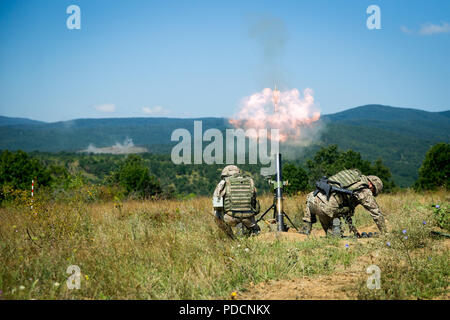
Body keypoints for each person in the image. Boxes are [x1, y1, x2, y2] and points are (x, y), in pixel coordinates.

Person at [300, 169, 386, 237]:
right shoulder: (363, 189)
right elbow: (376, 212)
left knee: (338, 206)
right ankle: (334, 233)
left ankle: (306, 229)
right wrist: (384, 232)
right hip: (325, 206)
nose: (371, 193)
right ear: (371, 185)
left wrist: (353, 230)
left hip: (311, 199)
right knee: (335, 235)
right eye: (373, 191)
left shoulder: (352, 176)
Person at [212, 165, 261, 238]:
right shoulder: (249, 181)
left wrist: (222, 211)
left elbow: (216, 203)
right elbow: (255, 203)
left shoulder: (223, 182)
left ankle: (231, 237)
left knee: (215, 214)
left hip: (230, 217)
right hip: (248, 219)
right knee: (254, 230)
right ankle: (251, 234)